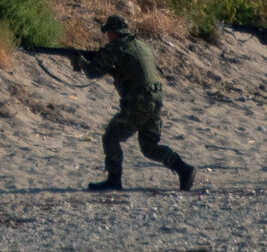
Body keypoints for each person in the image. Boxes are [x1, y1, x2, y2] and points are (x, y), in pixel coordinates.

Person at [72, 14, 195, 193]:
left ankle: (114, 180)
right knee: (149, 147)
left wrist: (79, 61)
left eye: (108, 33)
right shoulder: (142, 46)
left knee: (111, 136)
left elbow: (93, 72)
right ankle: (184, 169)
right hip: (155, 100)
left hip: (138, 103)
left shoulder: (117, 47)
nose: (107, 36)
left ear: (113, 33)